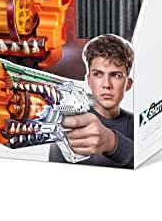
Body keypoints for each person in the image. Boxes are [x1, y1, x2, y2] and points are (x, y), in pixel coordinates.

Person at [49, 34, 134, 168]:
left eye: (116, 75)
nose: (106, 84)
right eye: (98, 74)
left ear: (128, 84)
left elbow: (145, 160)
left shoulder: (136, 124)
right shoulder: (69, 122)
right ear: (89, 80)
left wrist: (112, 142)